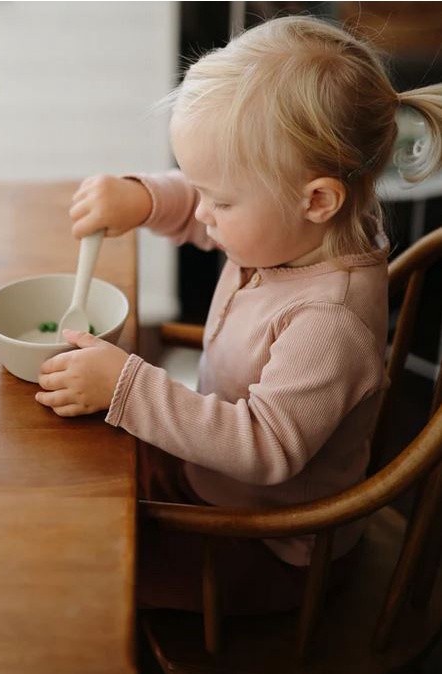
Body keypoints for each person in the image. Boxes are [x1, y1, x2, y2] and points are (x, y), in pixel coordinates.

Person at [35, 15, 442, 614]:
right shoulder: (297, 232)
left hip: (273, 542)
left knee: (86, 573)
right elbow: (218, 202)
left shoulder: (328, 322)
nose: (202, 212)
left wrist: (129, 385)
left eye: (219, 200)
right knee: (76, 478)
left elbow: (264, 449)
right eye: (200, 191)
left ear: (317, 200)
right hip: (214, 475)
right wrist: (145, 198)